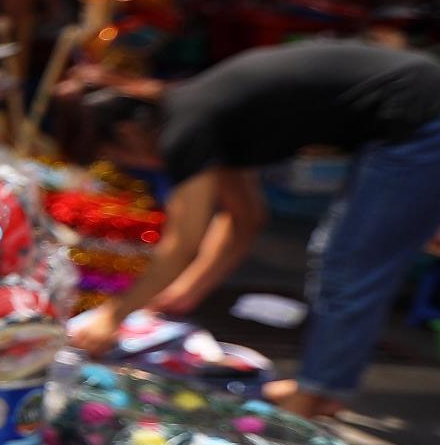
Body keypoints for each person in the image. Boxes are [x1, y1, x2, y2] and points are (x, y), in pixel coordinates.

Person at [68, 39, 440, 417]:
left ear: (129, 132)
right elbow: (244, 217)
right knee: (347, 258)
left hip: (419, 116)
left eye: (118, 157)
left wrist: (113, 317)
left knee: (349, 263)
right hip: (415, 108)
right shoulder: (203, 111)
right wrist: (186, 292)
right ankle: (319, 388)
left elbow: (182, 243)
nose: (134, 167)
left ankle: (313, 397)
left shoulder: (186, 128)